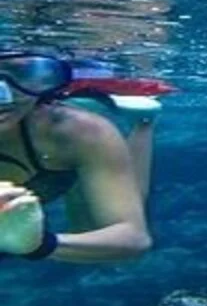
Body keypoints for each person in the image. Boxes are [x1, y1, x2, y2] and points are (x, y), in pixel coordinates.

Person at [0, 51, 159, 263]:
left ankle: (143, 121)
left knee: (102, 242)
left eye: (23, 73)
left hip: (56, 156)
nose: (3, 95)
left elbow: (134, 237)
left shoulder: (73, 131)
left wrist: (38, 245)